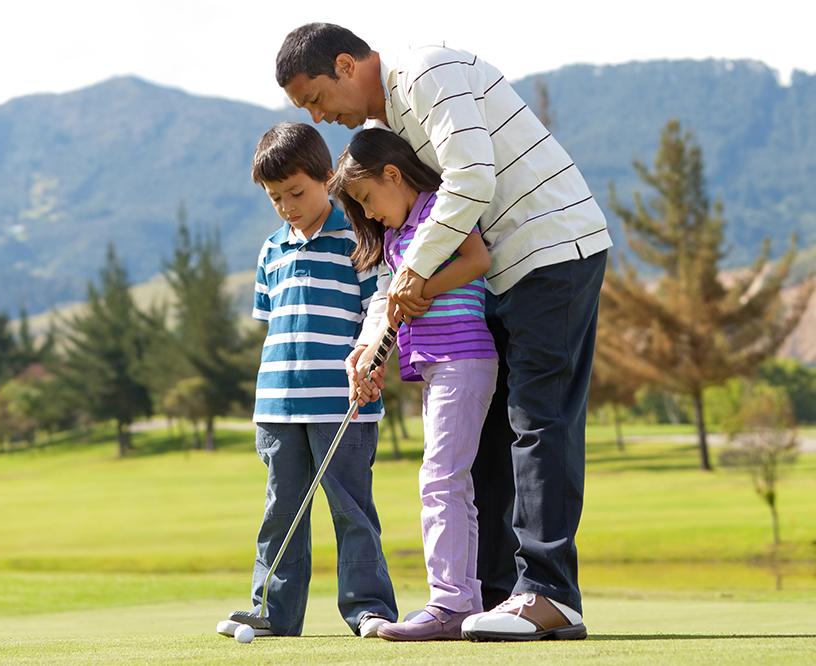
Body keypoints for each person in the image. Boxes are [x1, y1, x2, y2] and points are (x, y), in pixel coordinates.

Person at [275, 23, 612, 641]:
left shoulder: (426, 72)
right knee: (487, 438)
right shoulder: (395, 130)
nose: (321, 118)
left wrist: (414, 273)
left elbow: (472, 180)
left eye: (316, 99)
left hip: (552, 248)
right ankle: (489, 595)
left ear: (346, 66)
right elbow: (407, 254)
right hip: (505, 273)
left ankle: (550, 594)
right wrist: (372, 340)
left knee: (540, 418)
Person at [332, 127, 498, 641]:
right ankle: (463, 601)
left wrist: (422, 285)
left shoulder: (436, 213)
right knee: (451, 482)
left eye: (367, 200)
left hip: (464, 357)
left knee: (440, 480)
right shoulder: (397, 239)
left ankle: (448, 603)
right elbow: (388, 303)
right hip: (434, 365)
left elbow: (476, 260)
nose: (371, 214)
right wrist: (367, 354)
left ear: (392, 174)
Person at [235, 121, 398, 638]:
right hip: (279, 407)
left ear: (328, 179)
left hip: (344, 405)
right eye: (276, 197)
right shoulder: (270, 251)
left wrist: (371, 361)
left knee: (352, 511)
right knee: (281, 512)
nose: (287, 206)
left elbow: (382, 306)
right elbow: (273, 326)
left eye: (297, 192)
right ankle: (273, 615)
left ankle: (368, 609)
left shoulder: (359, 237)